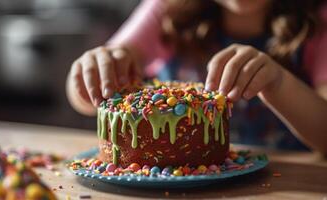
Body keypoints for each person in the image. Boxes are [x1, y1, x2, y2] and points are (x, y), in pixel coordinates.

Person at [66, 0, 327, 153]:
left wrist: (277, 82)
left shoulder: (317, 21)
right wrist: (95, 69)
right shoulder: (166, 9)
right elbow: (87, 100)